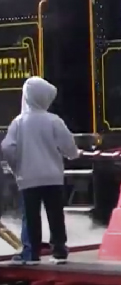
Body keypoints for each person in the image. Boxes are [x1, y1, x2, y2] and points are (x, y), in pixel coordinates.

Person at [0, 77, 80, 264]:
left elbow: (8, 147)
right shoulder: (54, 120)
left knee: (30, 216)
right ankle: (59, 250)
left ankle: (31, 253)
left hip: (28, 177)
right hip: (53, 176)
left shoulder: (19, 122)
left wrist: (16, 167)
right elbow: (68, 145)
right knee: (55, 214)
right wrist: (74, 154)